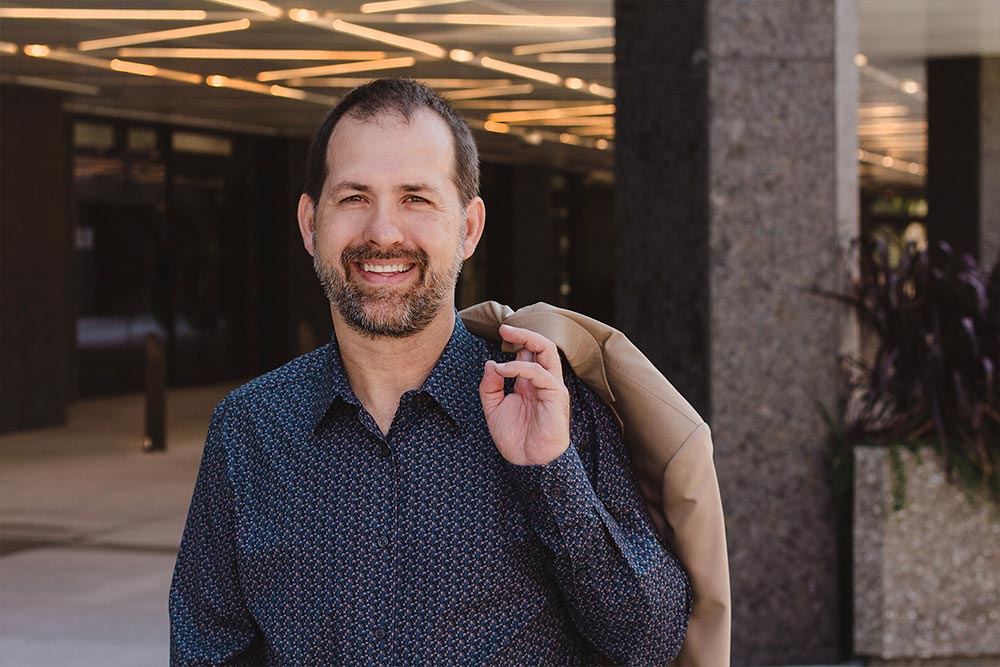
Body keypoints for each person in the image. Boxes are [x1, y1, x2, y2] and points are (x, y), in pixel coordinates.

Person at [169, 78, 691, 666]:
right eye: (354, 198)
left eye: (415, 198)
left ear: (468, 228)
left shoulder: (550, 404)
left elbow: (649, 642)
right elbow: (207, 650)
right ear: (309, 223)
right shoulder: (250, 430)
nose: (383, 233)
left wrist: (553, 474)